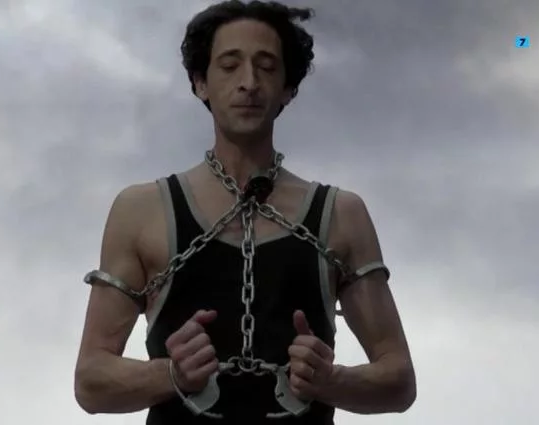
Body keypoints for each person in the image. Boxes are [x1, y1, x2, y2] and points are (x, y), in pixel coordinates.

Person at [73, 1, 416, 423]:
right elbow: (91, 382)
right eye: (230, 66)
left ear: (288, 88)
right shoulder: (142, 212)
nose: (249, 83)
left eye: (267, 67)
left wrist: (332, 381)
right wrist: (171, 374)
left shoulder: (342, 215)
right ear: (200, 82)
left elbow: (399, 380)